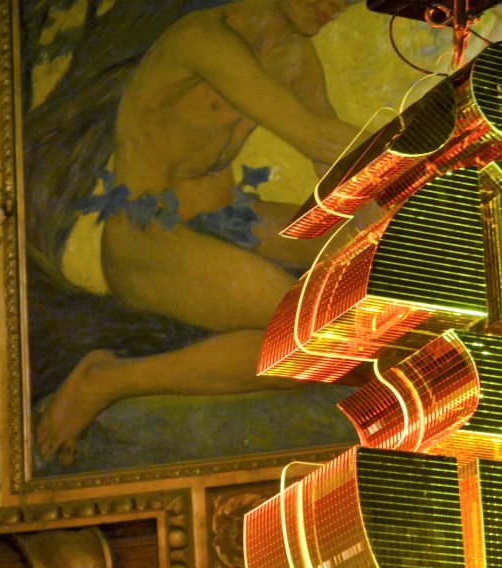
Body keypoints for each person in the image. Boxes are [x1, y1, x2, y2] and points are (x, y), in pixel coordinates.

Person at [32, 0, 358, 465]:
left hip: (232, 217)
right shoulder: (203, 40)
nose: (339, 5)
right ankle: (108, 380)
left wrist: (385, 218)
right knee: (316, 337)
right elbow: (313, 134)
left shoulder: (295, 55)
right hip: (150, 237)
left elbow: (333, 162)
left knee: (382, 252)